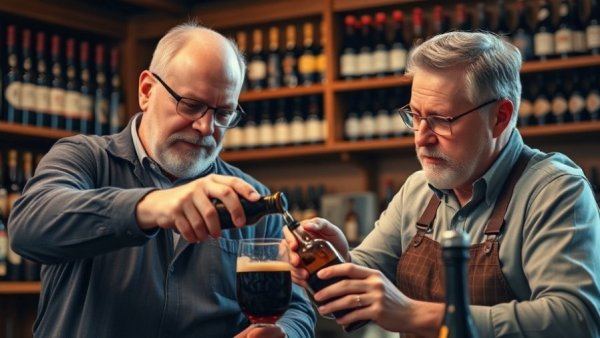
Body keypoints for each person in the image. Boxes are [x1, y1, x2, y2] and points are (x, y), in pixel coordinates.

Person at [8, 21, 315, 338]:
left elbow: (298, 308)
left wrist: (284, 332)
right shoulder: (85, 158)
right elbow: (27, 227)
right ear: (146, 91)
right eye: (192, 105)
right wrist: (152, 206)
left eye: (223, 113)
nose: (206, 127)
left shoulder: (252, 198)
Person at [285, 31, 600, 337]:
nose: (422, 137)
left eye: (441, 119)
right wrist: (333, 262)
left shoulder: (555, 190)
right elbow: (362, 282)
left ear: (500, 117)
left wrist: (412, 313)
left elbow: (575, 319)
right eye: (416, 116)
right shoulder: (417, 189)